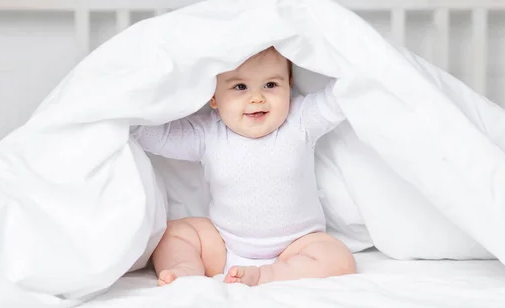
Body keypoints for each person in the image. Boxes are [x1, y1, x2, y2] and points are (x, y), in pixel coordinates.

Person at [131, 47, 356, 286]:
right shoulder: (207, 134)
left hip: (296, 247)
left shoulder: (300, 121)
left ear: (289, 86)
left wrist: (360, 66)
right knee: (173, 234)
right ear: (214, 97)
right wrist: (125, 117)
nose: (257, 98)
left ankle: (268, 275)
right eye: (240, 87)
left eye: (270, 85)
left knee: (338, 258)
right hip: (225, 245)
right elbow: (160, 136)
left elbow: (337, 98)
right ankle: (186, 268)